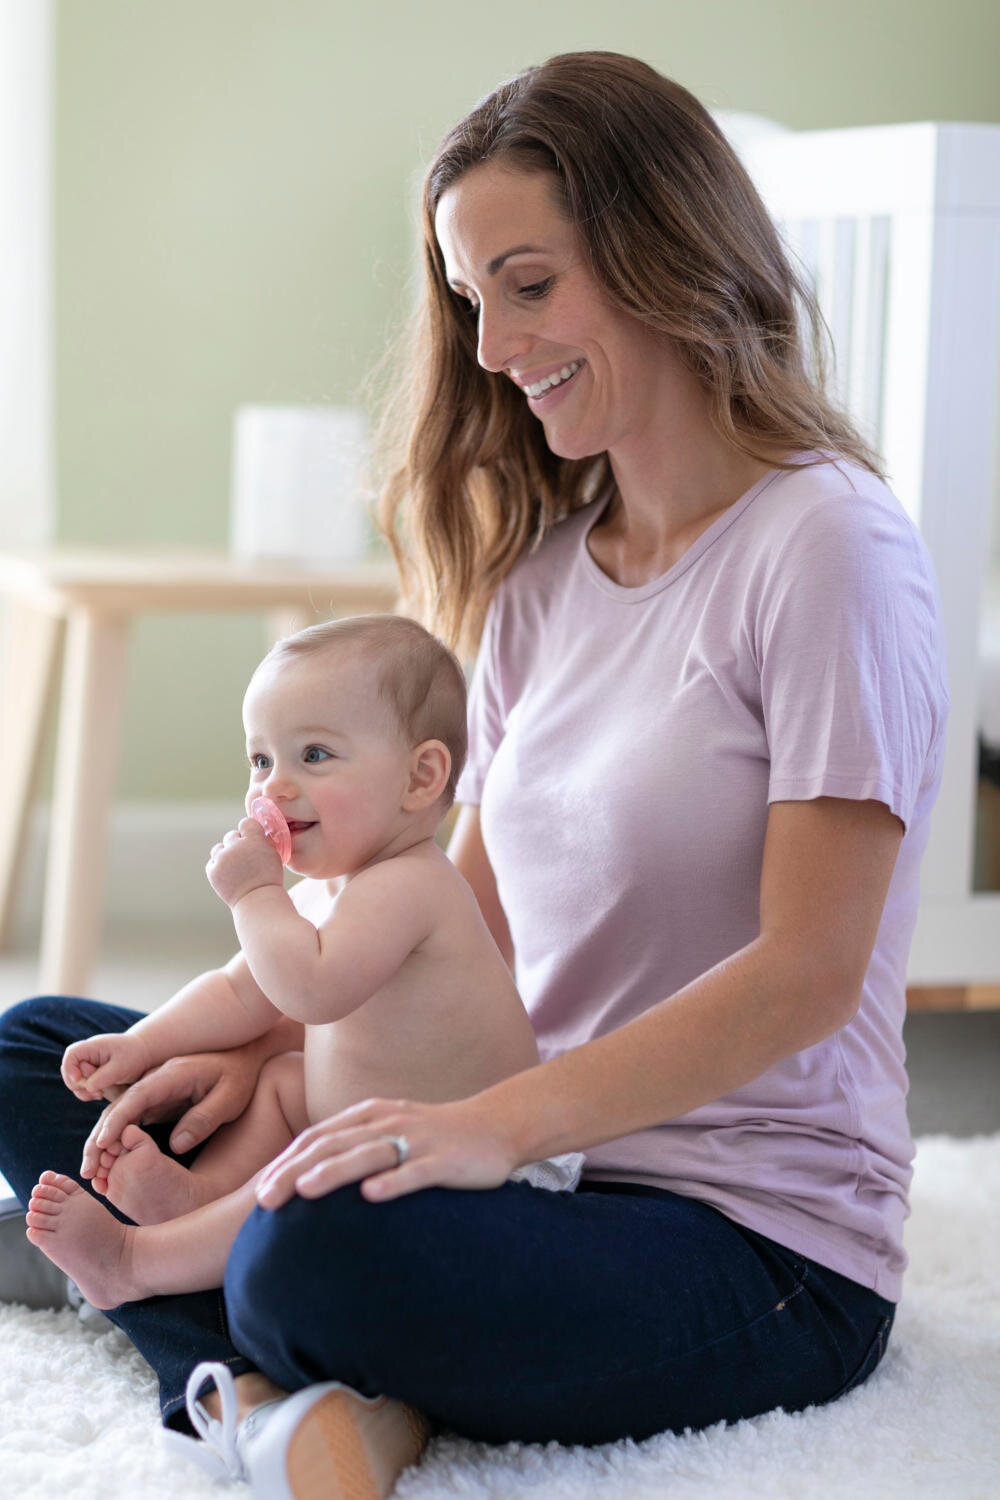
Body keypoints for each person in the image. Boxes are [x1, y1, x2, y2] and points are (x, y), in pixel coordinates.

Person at [0, 50, 948, 1500]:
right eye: (467, 297)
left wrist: (477, 1130)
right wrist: (273, 1060)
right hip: (521, 1163)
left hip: (745, 1239)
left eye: (529, 283)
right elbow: (472, 933)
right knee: (36, 1051)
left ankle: (222, 1349)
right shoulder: (546, 582)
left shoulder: (829, 550)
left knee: (312, 1242)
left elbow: (807, 975)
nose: (494, 345)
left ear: (663, 252)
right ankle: (269, 1367)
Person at [23, 613, 578, 1315]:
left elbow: (311, 991)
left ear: (420, 777)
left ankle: (138, 1263)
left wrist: (256, 896)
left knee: (309, 1170)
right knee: (285, 1081)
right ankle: (197, 1206)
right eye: (261, 760)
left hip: (471, 1180)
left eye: (314, 755)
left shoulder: (414, 885)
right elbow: (239, 992)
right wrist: (143, 1045)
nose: (274, 788)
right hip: (356, 1130)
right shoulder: (329, 890)